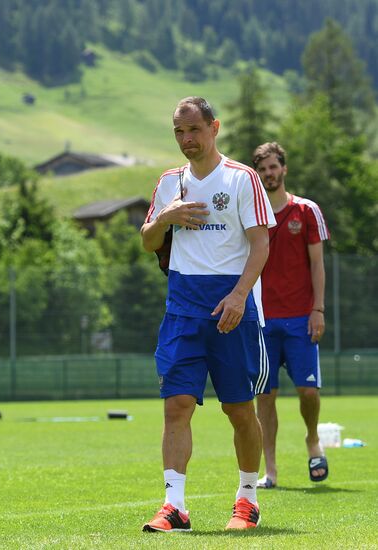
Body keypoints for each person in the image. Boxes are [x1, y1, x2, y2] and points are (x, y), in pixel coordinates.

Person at [140, 97, 276, 533]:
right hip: (182, 306)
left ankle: (247, 498)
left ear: (214, 127)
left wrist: (239, 296)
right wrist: (166, 217)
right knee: (176, 405)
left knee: (239, 409)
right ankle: (174, 506)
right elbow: (147, 241)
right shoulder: (169, 182)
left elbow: (260, 245)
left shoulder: (242, 179)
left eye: (194, 130)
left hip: (229, 308)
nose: (186, 140)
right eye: (179, 132)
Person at [252, 142, 330, 489]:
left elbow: (317, 264)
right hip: (263, 321)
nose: (269, 173)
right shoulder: (251, 214)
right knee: (265, 396)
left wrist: (318, 309)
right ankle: (270, 471)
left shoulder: (306, 210)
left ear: (283, 169)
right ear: (258, 174)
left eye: (273, 167)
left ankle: (312, 439)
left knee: (308, 392)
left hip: (301, 318)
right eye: (263, 169)